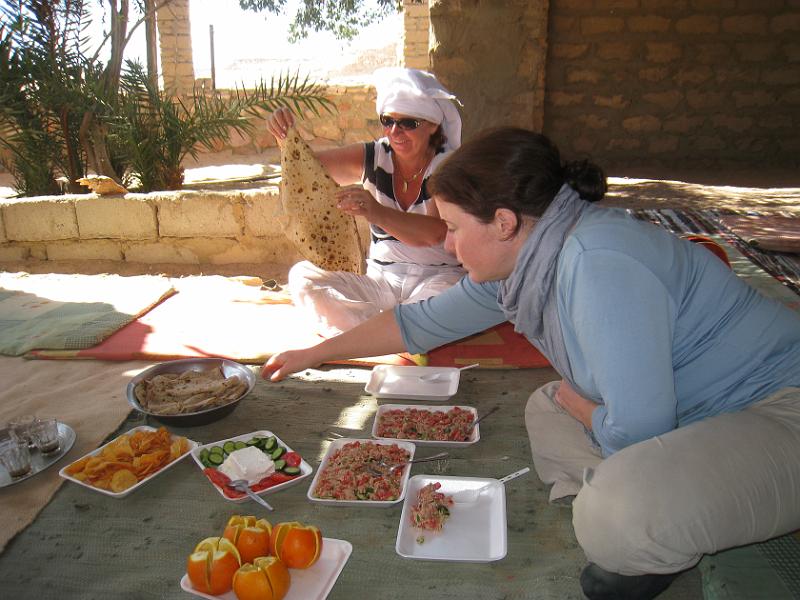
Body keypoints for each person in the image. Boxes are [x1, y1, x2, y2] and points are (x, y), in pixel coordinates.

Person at [262, 127, 800, 599]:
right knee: (547, 405)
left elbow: (639, 429)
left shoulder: (596, 263)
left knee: (615, 508)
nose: (446, 245)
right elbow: (416, 323)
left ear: (502, 221)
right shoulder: (530, 255)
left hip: (779, 409)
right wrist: (312, 353)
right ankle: (619, 495)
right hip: (696, 409)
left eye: (451, 226)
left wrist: (580, 404)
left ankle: (620, 521)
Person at [266, 67, 465, 336]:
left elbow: (434, 232)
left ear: (432, 125)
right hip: (382, 283)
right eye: (388, 120)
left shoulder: (448, 163)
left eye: (409, 123)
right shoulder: (374, 155)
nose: (396, 131)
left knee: (451, 300)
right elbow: (305, 171)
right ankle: (398, 329)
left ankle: (376, 330)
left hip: (438, 279)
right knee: (302, 277)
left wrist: (376, 212)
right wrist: (285, 138)